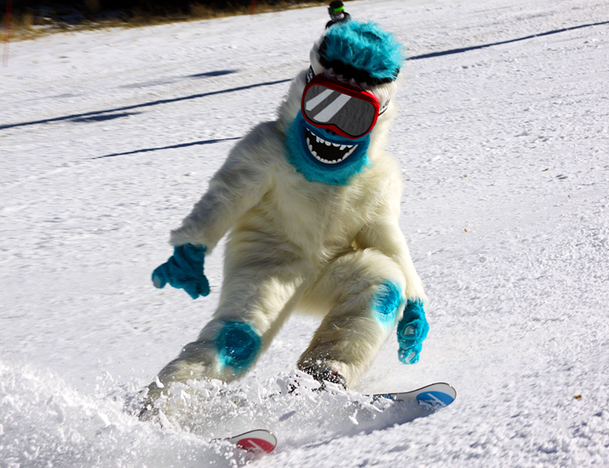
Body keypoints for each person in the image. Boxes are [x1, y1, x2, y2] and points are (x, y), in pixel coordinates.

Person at [144, 19, 429, 406]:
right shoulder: (269, 148)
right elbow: (225, 195)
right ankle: (164, 408)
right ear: (304, 92)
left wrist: (413, 300)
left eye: (352, 117)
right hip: (267, 263)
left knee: (384, 283)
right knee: (238, 339)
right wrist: (193, 245)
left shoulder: (379, 175)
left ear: (376, 118)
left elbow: (385, 235)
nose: (330, 130)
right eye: (323, 104)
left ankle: (326, 374)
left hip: (332, 268)